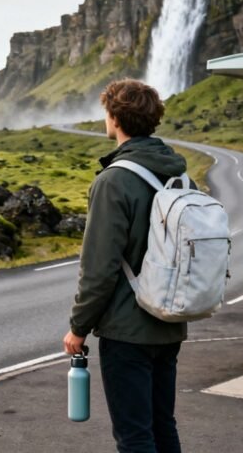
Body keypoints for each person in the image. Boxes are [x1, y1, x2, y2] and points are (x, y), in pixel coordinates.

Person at [63, 78, 187, 453]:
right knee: (162, 425)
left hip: (126, 330)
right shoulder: (181, 175)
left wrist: (78, 327)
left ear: (115, 118)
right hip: (169, 322)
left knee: (134, 436)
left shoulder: (113, 181)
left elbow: (99, 268)